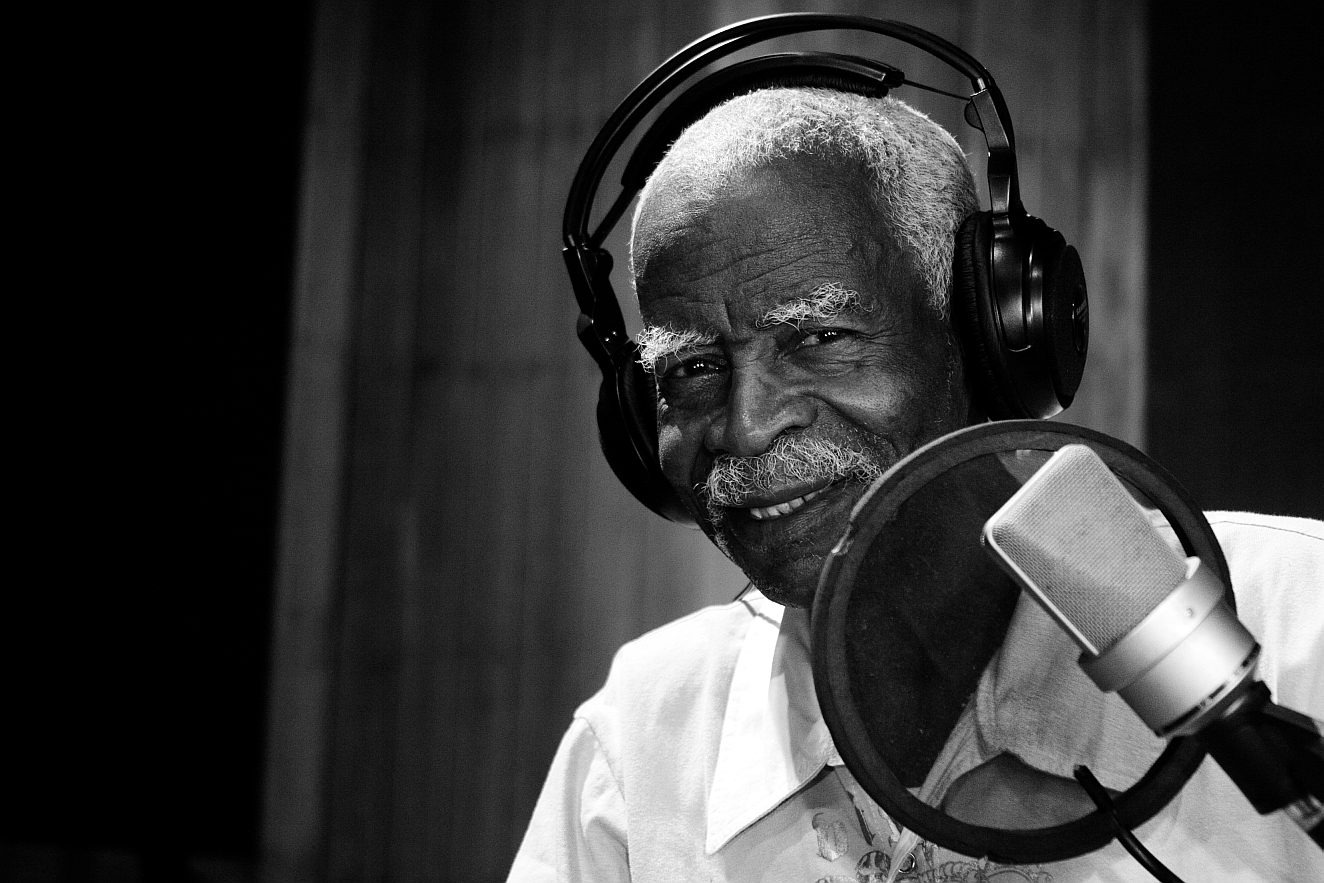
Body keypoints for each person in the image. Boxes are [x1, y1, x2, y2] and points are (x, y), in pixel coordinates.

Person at [508, 86, 1324, 881]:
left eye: (820, 337)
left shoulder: (1302, 622)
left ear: (983, 335)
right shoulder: (640, 741)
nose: (746, 426)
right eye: (692, 367)